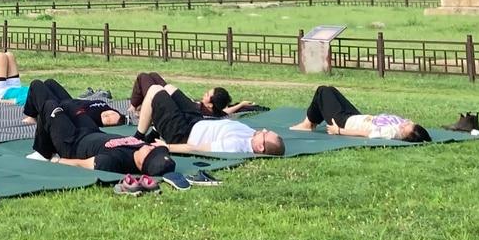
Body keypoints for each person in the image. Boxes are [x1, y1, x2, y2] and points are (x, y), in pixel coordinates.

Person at [29, 96, 174, 176]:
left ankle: (43, 152)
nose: (150, 148)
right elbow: (159, 147)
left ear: (143, 163)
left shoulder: (113, 162)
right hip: (91, 131)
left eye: (150, 151)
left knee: (49, 105)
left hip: (72, 143)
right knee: (68, 104)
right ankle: (51, 134)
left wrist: (57, 162)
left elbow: (81, 164)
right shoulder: (142, 148)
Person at [136, 83, 285, 156]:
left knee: (155, 89)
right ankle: (153, 133)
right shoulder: (252, 135)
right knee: (169, 88)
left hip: (182, 134)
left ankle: (137, 138)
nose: (264, 130)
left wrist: (167, 147)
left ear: (260, 147)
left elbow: (196, 149)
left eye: (265, 134)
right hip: (196, 121)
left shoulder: (235, 145)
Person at [289, 86, 432, 142]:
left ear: (405, 135)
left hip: (344, 122)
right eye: (409, 124)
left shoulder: (389, 132)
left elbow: (365, 133)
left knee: (323, 92)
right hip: (357, 116)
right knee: (330, 90)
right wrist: (409, 124)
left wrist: (338, 130)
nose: (405, 124)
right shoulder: (403, 125)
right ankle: (311, 121)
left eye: (405, 128)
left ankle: (308, 124)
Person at [129, 71, 255, 118]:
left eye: (207, 95)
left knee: (143, 77)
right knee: (153, 75)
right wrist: (242, 104)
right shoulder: (215, 111)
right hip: (171, 94)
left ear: (211, 105)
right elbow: (226, 111)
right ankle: (139, 104)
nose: (204, 95)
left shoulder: (199, 110)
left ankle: (134, 106)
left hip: (167, 101)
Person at [21, 79, 125, 128]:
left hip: (59, 109)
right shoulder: (104, 106)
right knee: (49, 82)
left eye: (107, 120)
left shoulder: (90, 120)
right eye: (112, 114)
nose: (108, 115)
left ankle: (32, 116)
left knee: (36, 85)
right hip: (69, 101)